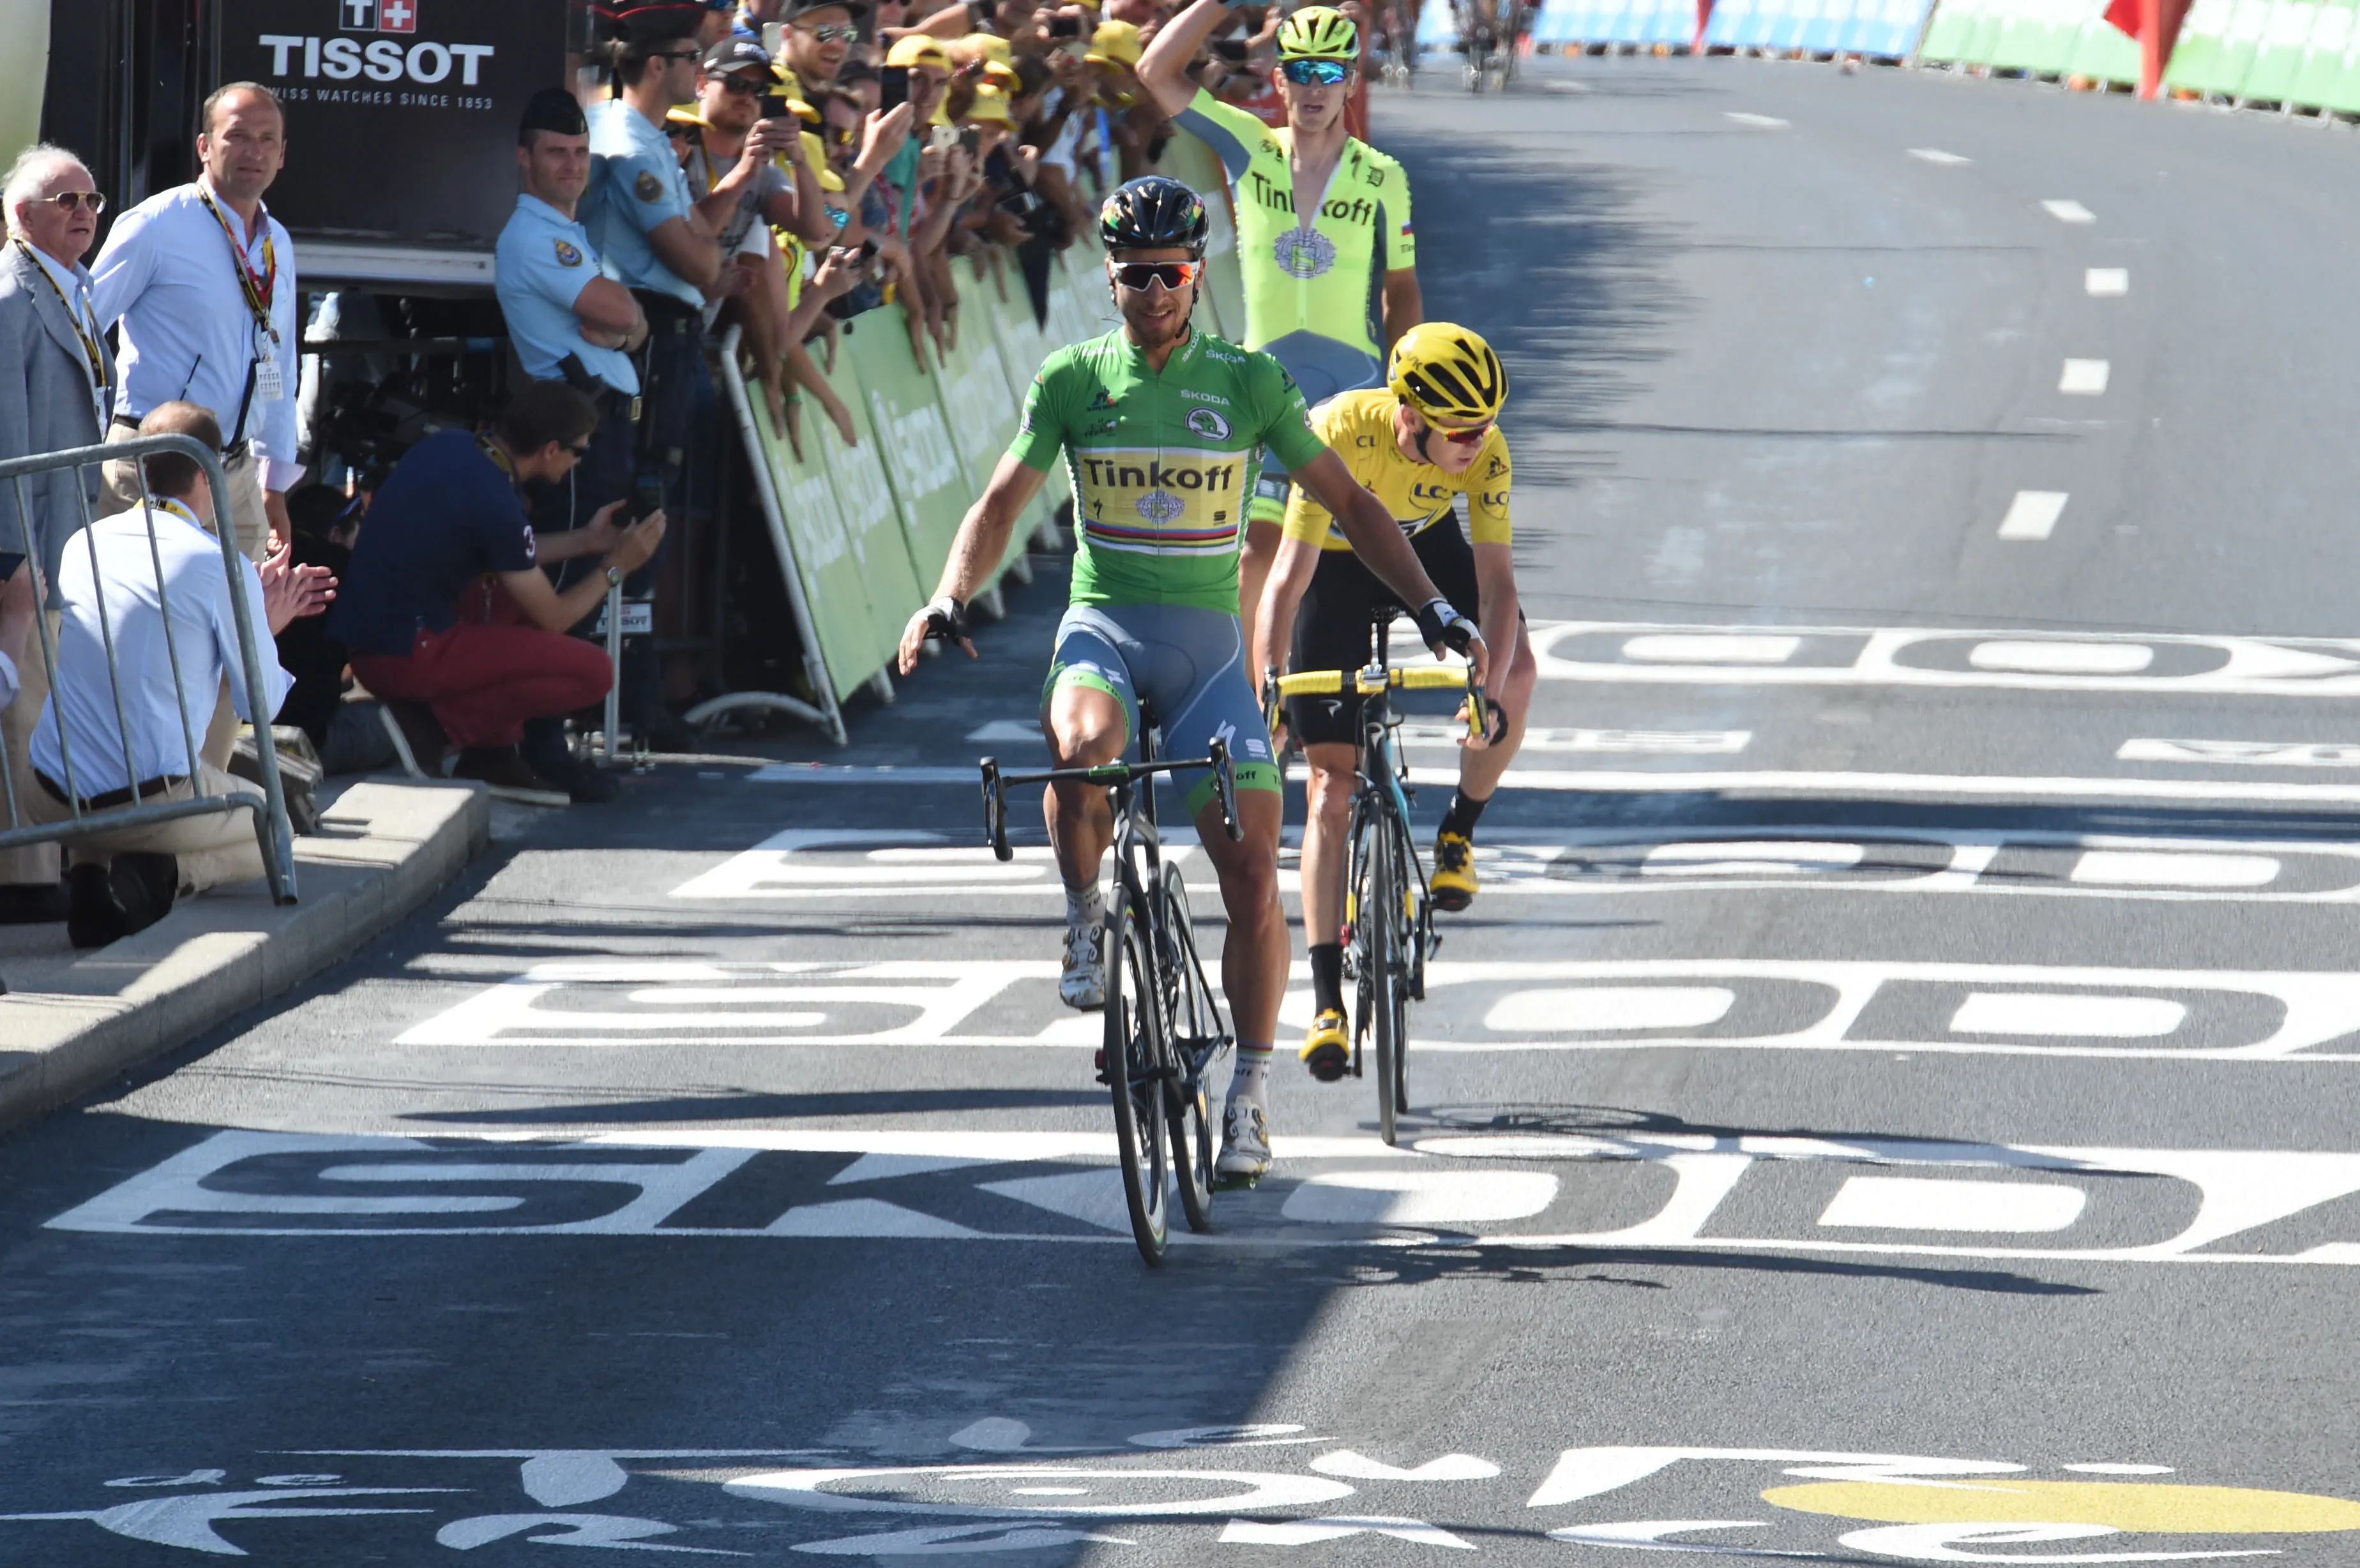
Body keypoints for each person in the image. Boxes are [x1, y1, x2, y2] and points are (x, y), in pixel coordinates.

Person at [893, 176, 1485, 1182]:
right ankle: (1086, 915)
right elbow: (1002, 501)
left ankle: (1250, 1098)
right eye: (1134, 276)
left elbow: (1350, 502)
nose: (1154, 291)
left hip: (1210, 655)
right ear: (1110, 281)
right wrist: (947, 597)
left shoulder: (1249, 383)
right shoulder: (1074, 380)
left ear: (1198, 273)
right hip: (1105, 633)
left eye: (1171, 274)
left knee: (1254, 876)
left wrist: (1431, 604)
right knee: (1080, 749)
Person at [1255, 322, 1534, 1080]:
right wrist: (1270, 686)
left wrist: (1488, 688)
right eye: (1462, 430)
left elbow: (1498, 586)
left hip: (1423, 549)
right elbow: (1286, 580)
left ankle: (1457, 834)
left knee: (1519, 674)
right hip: (1337, 569)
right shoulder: (1340, 432)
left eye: (1485, 426)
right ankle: (1325, 1002)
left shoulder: (1486, 448)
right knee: (1327, 792)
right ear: (1408, 414)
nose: (1479, 441)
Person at [1136, 3, 1421, 663]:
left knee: (1327, 568)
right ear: (1280, 80)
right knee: (1254, 562)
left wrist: (1408, 386)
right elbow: (1156, 69)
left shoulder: (1384, 177)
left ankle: (1324, 712)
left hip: (1350, 391)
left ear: (1352, 81)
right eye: (1302, 71)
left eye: (1331, 72)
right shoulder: (1250, 147)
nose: (1316, 87)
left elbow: (1401, 289)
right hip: (1262, 388)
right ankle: (1252, 716)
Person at [24, 402, 333, 949]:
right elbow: (262, 701)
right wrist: (263, 624)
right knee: (276, 827)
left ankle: (92, 873)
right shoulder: (218, 562)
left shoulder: (83, 543)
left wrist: (245, 614)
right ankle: (155, 880)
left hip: (48, 791)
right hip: (147, 801)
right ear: (210, 470)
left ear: (139, 467)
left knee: (107, 717)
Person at [329, 382, 667, 802]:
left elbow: (507, 553)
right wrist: (617, 567)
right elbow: (556, 616)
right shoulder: (495, 500)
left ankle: (492, 755)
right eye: (578, 451)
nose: (579, 463)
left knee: (514, 594)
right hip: (404, 654)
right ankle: (431, 730)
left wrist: (588, 540)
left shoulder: (456, 448)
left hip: (375, 640)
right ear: (550, 450)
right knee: (594, 672)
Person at [581, 4, 730, 751]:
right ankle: (619, 693)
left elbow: (705, 237)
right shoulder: (622, 139)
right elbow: (699, 259)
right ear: (653, 64)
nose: (699, 70)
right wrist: (710, 260)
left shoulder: (650, 140)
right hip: (639, 340)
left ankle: (629, 687)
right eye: (687, 57)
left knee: (653, 501)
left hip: (665, 341)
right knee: (635, 502)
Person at [90, 82, 303, 564]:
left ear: (283, 154)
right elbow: (79, 332)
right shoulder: (157, 223)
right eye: (238, 136)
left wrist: (277, 484)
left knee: (243, 625)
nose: (255, 151)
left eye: (268, 139)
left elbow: (281, 366)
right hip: (157, 463)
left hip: (237, 468)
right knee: (144, 621)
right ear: (204, 146)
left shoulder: (278, 243)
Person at [0, 144, 116, 920]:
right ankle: (26, 876)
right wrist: (15, 554)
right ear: (22, 215)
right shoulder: (12, 295)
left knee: (46, 702)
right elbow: (6, 435)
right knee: (26, 706)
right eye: (64, 200)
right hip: (34, 539)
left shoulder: (66, 284)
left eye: (91, 199)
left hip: (67, 537)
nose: (82, 212)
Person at [498, 86, 650, 543]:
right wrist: (629, 328)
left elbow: (633, 329)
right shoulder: (534, 236)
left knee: (612, 567)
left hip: (604, 427)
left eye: (582, 152)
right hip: (577, 431)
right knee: (580, 567)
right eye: (557, 153)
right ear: (524, 157)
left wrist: (625, 336)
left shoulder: (562, 231)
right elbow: (625, 312)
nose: (573, 165)